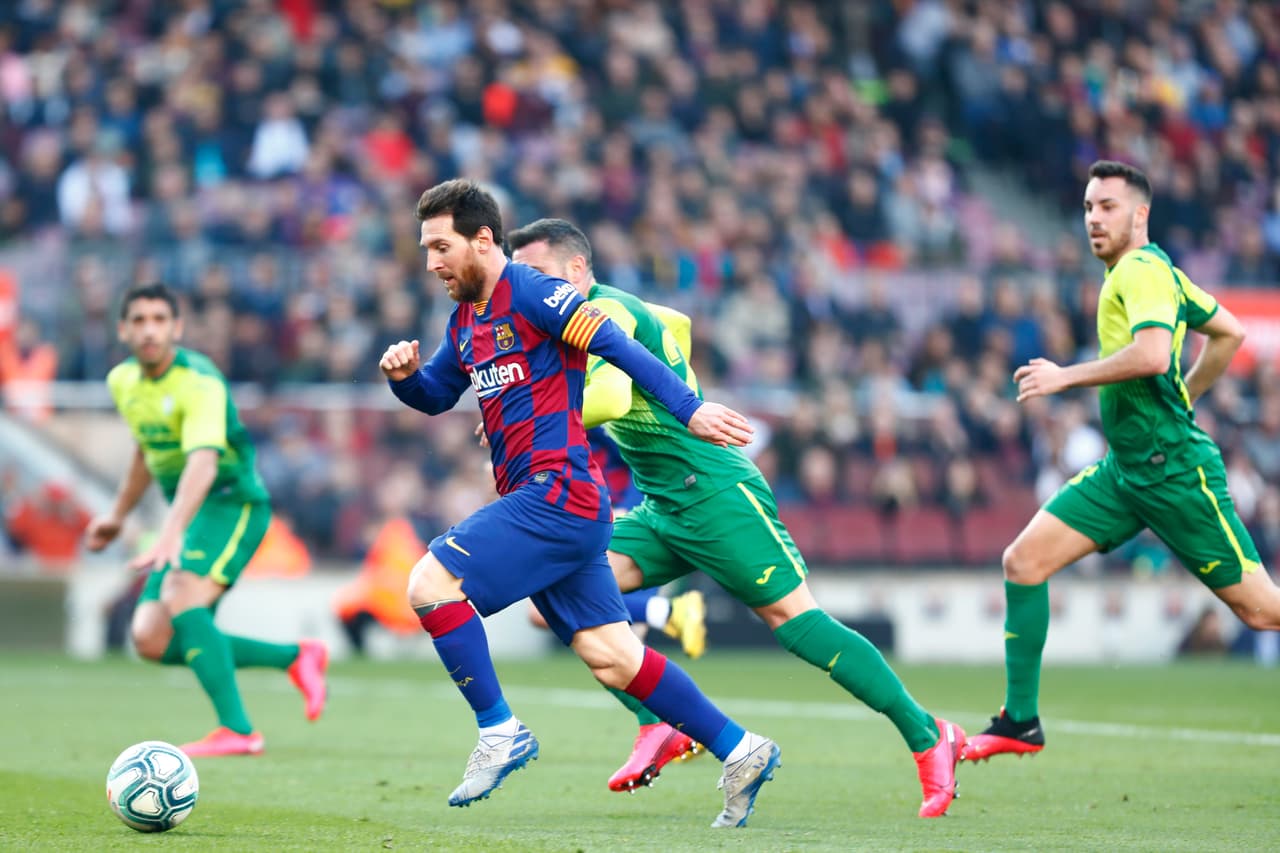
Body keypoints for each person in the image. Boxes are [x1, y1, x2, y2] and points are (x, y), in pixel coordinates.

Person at [505, 218, 966, 819]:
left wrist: (522, 416)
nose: (527, 290)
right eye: (520, 279)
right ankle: (658, 726)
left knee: (795, 622)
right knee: (551, 600)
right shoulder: (610, 312)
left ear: (576, 271)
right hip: (663, 504)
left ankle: (930, 735)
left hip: (717, 492)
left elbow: (613, 400)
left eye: (537, 275)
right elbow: (677, 323)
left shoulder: (603, 314)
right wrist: (675, 367)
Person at [378, 179, 779, 827]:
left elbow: (617, 346)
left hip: (557, 492)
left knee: (430, 581)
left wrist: (690, 408)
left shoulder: (536, 292)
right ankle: (741, 747)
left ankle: (498, 730)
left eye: (440, 246)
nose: (431, 263)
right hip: (558, 507)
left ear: (483, 239)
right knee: (613, 656)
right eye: (425, 249)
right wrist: (404, 381)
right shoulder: (465, 321)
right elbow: (434, 396)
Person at [962, 160, 1280, 763]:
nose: (1093, 219)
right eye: (1087, 208)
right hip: (1127, 471)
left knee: (1263, 611)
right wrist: (1185, 398)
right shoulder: (1156, 271)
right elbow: (1230, 333)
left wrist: (1066, 378)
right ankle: (1019, 722)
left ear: (1141, 215)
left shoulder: (1139, 270)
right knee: (1024, 561)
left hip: (1175, 473)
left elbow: (1155, 354)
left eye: (1107, 207)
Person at [85, 282, 328, 757]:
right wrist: (117, 515)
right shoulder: (123, 382)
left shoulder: (200, 381)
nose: (149, 330)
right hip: (191, 512)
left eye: (159, 319)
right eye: (139, 320)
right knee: (150, 638)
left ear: (176, 328)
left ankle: (238, 730)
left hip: (231, 504)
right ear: (123, 330)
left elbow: (204, 462)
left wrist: (170, 531)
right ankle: (297, 657)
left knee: (179, 592)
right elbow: (146, 450)